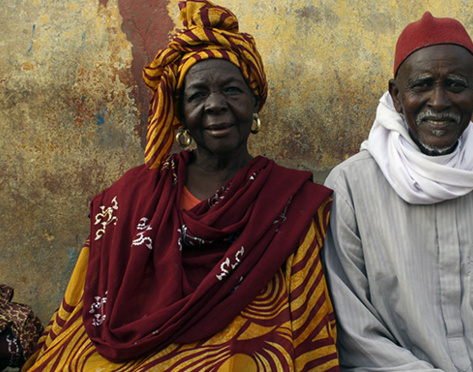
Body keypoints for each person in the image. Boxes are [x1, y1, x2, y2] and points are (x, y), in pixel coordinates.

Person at [23, 1, 339, 370]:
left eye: (232, 90)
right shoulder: (135, 194)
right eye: (197, 95)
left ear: (255, 102)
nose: (215, 105)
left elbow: (305, 317)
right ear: (180, 116)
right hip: (121, 352)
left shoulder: (288, 200)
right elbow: (87, 300)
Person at [323, 11, 473, 371]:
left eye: (455, 85)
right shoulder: (350, 189)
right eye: (421, 85)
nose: (438, 102)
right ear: (395, 95)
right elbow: (356, 336)